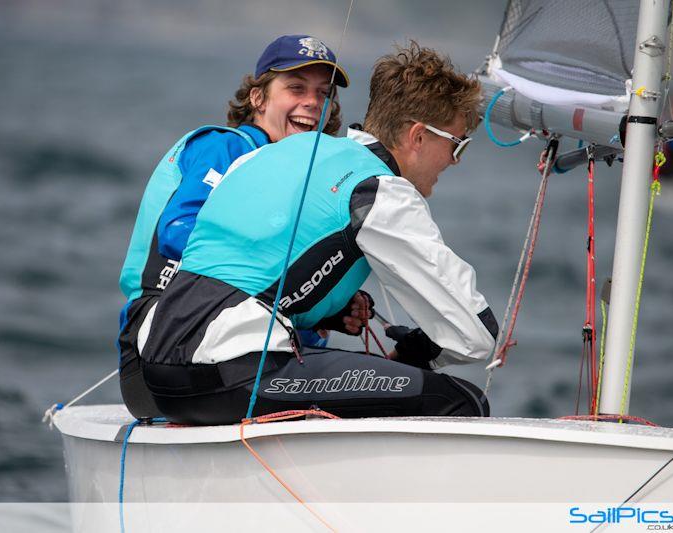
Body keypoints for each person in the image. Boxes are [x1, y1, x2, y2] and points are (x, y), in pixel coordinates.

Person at [137, 40, 499, 425]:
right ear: (418, 137)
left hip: (158, 370)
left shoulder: (275, 153)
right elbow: (475, 334)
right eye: (457, 146)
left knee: (365, 380)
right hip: (229, 371)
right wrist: (416, 352)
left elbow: (257, 271)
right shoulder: (377, 189)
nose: (455, 162)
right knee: (460, 400)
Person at [117, 35, 351, 418]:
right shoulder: (225, 148)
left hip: (231, 347)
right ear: (258, 98)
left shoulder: (288, 175)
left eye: (324, 93)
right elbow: (179, 232)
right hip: (159, 352)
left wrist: (329, 308)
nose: (312, 102)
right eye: (295, 88)